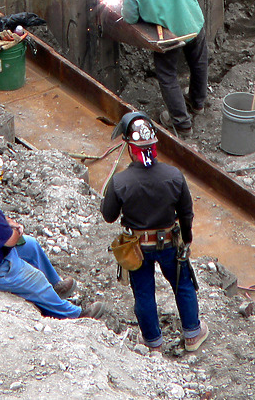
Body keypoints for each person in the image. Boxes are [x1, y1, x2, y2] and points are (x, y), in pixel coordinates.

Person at [0, 151, 105, 320]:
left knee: (31, 245)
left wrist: (6, 222)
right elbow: (11, 240)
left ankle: (55, 286)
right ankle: (75, 314)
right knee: (35, 279)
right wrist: (17, 230)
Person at [100, 112, 209, 353]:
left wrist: (113, 189)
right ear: (154, 144)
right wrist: (187, 238)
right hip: (170, 243)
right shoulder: (174, 176)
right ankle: (192, 333)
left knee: (144, 292)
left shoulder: (121, 182)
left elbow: (108, 216)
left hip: (137, 247)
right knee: (182, 284)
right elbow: (186, 213)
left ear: (130, 147)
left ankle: (152, 342)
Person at [110, 0, 208, 137]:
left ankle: (182, 125)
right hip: (193, 22)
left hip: (169, 36)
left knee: (167, 76)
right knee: (199, 63)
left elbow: (129, 17)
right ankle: (198, 104)